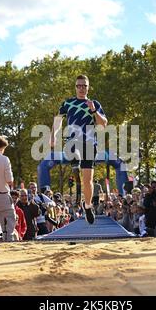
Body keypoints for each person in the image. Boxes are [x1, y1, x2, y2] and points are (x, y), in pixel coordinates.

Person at [50, 75, 108, 225]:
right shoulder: (68, 103)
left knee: (87, 180)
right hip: (73, 141)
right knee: (73, 150)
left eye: (84, 86)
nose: (81, 88)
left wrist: (94, 111)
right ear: (75, 87)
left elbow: (103, 125)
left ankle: (87, 206)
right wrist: (53, 136)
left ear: (88, 87)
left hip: (90, 144)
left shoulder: (94, 103)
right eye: (79, 86)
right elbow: (58, 121)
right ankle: (75, 160)